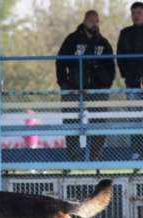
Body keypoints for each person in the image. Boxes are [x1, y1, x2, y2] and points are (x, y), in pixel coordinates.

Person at [56, 10, 115, 161]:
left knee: (98, 122)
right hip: (74, 89)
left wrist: (106, 85)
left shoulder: (103, 42)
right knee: (71, 121)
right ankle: (74, 157)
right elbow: (60, 61)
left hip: (97, 90)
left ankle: (95, 156)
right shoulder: (72, 39)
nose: (94, 24)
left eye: (97, 21)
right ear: (84, 21)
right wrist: (63, 83)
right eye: (91, 21)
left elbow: (111, 67)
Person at [117, 1, 143, 160]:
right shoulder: (125, 33)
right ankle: (137, 151)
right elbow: (120, 56)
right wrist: (126, 74)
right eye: (134, 13)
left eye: (139, 12)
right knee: (134, 116)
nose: (136, 16)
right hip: (132, 82)